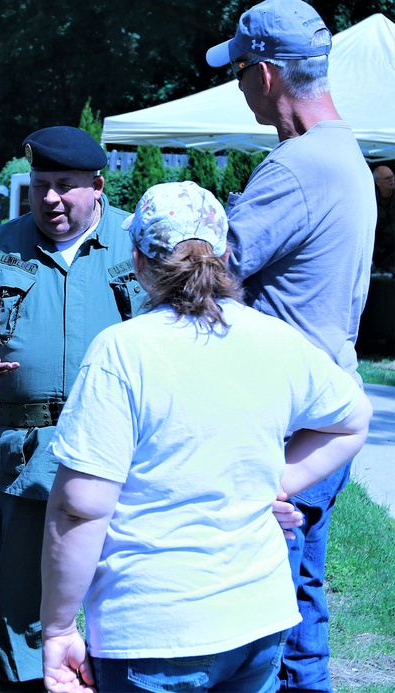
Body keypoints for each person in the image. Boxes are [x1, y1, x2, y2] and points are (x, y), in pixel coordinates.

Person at [40, 181, 373, 693]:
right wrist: (276, 483)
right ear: (222, 255)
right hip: (258, 620)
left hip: (153, 629)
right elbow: (351, 420)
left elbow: (81, 505)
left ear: (138, 259)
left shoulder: (124, 351)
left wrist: (59, 627)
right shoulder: (276, 340)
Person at [0, 125, 147, 691]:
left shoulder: (139, 243)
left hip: (123, 455)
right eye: (40, 185)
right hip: (26, 457)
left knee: (121, 598)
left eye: (65, 186)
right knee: (21, 603)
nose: (49, 199)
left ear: (98, 186)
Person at [206, 2, 376, 689]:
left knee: (271, 611)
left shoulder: (296, 169)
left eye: (240, 71)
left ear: (267, 73)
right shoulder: (344, 154)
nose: (238, 85)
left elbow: (208, 276)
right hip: (324, 411)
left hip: (286, 425)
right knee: (300, 595)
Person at [373, 165, 395, 273]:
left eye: (392, 177)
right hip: (381, 255)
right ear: (377, 182)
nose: (392, 181)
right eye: (387, 179)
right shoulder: (371, 202)